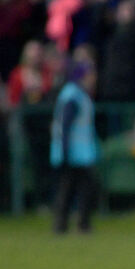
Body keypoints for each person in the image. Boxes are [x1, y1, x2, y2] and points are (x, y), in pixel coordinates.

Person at [49, 57, 99, 233]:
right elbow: (65, 125)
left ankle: (68, 225)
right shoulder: (73, 95)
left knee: (72, 189)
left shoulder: (77, 93)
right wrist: (64, 150)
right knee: (73, 189)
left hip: (79, 152)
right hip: (74, 152)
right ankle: (74, 224)